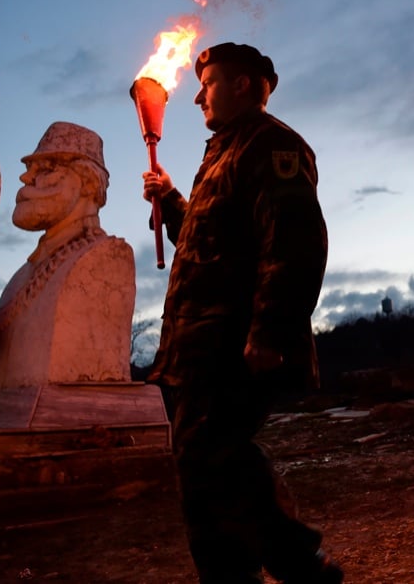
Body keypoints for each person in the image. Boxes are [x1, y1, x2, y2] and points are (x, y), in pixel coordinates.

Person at [142, 42, 341, 583]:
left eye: (208, 84)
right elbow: (211, 246)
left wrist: (271, 330)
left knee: (213, 457)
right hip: (196, 347)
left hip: (232, 343)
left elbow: (295, 244)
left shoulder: (273, 145)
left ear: (244, 85)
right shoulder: (222, 153)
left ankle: (301, 563)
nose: (198, 97)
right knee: (201, 469)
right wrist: (174, 202)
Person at [0, 121, 135, 397]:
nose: (26, 178)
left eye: (47, 168)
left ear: (88, 182)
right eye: (30, 169)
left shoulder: (106, 258)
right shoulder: (20, 277)